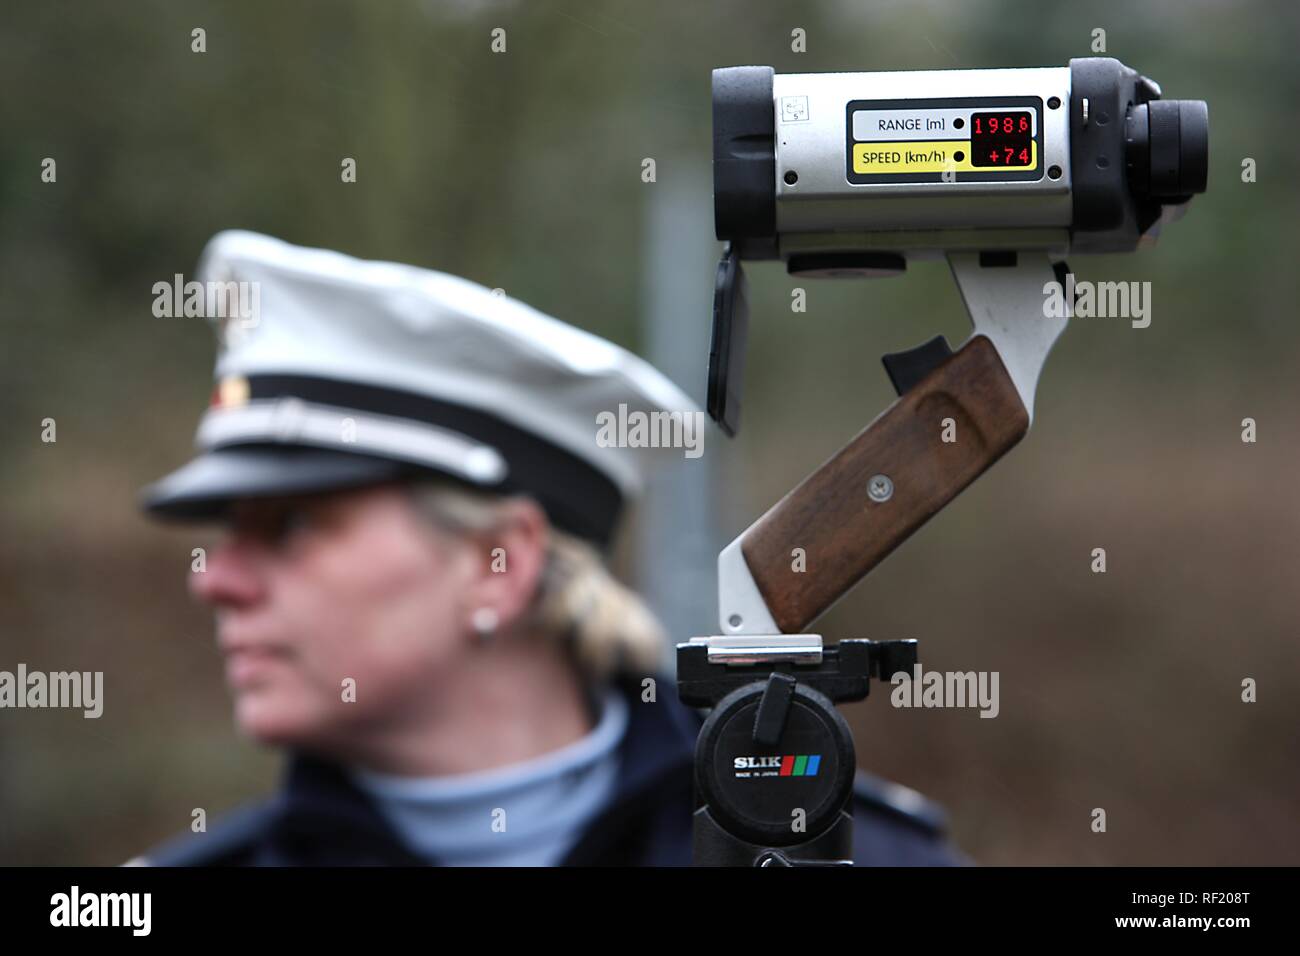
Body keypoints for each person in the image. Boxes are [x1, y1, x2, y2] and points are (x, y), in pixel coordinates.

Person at [131, 230, 963, 866]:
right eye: (226, 531)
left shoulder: (856, 855)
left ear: (502, 563)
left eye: (289, 525)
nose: (219, 579)